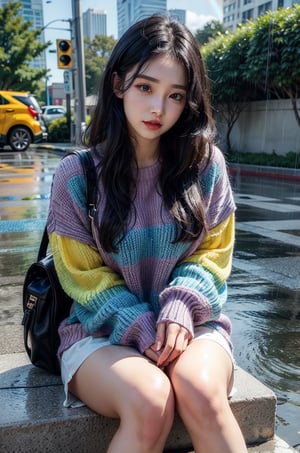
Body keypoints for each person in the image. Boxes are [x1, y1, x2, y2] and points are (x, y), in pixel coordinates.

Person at [47, 14, 247, 453]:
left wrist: (179, 306)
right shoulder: (76, 176)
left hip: (193, 323)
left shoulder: (205, 165)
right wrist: (140, 326)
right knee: (151, 400)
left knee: (199, 390)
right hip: (100, 334)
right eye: (145, 88)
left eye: (175, 96)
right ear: (118, 84)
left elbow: (214, 254)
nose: (158, 109)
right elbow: (82, 277)